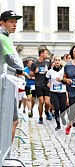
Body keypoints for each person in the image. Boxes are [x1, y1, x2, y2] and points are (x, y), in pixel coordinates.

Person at [0, 10, 24, 142]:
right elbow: (11, 59)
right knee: (13, 120)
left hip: (6, 83)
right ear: (2, 23)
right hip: (6, 84)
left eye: (15, 22)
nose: (14, 24)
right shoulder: (4, 38)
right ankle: (5, 154)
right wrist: (20, 71)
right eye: (11, 21)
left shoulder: (4, 37)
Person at [31, 49, 52, 124]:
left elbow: (52, 72)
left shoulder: (48, 63)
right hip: (38, 84)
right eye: (46, 53)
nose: (47, 54)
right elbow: (31, 74)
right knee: (41, 101)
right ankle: (40, 117)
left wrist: (48, 73)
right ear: (41, 54)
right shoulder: (35, 64)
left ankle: (46, 111)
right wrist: (35, 72)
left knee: (47, 102)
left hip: (46, 84)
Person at [46, 55, 67, 130]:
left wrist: (61, 80)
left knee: (63, 108)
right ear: (54, 62)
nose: (57, 62)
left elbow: (67, 81)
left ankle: (63, 117)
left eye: (59, 60)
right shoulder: (50, 71)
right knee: (57, 108)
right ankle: (58, 124)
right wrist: (48, 83)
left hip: (62, 92)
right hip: (53, 92)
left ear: (61, 61)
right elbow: (46, 79)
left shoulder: (64, 70)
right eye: (56, 60)